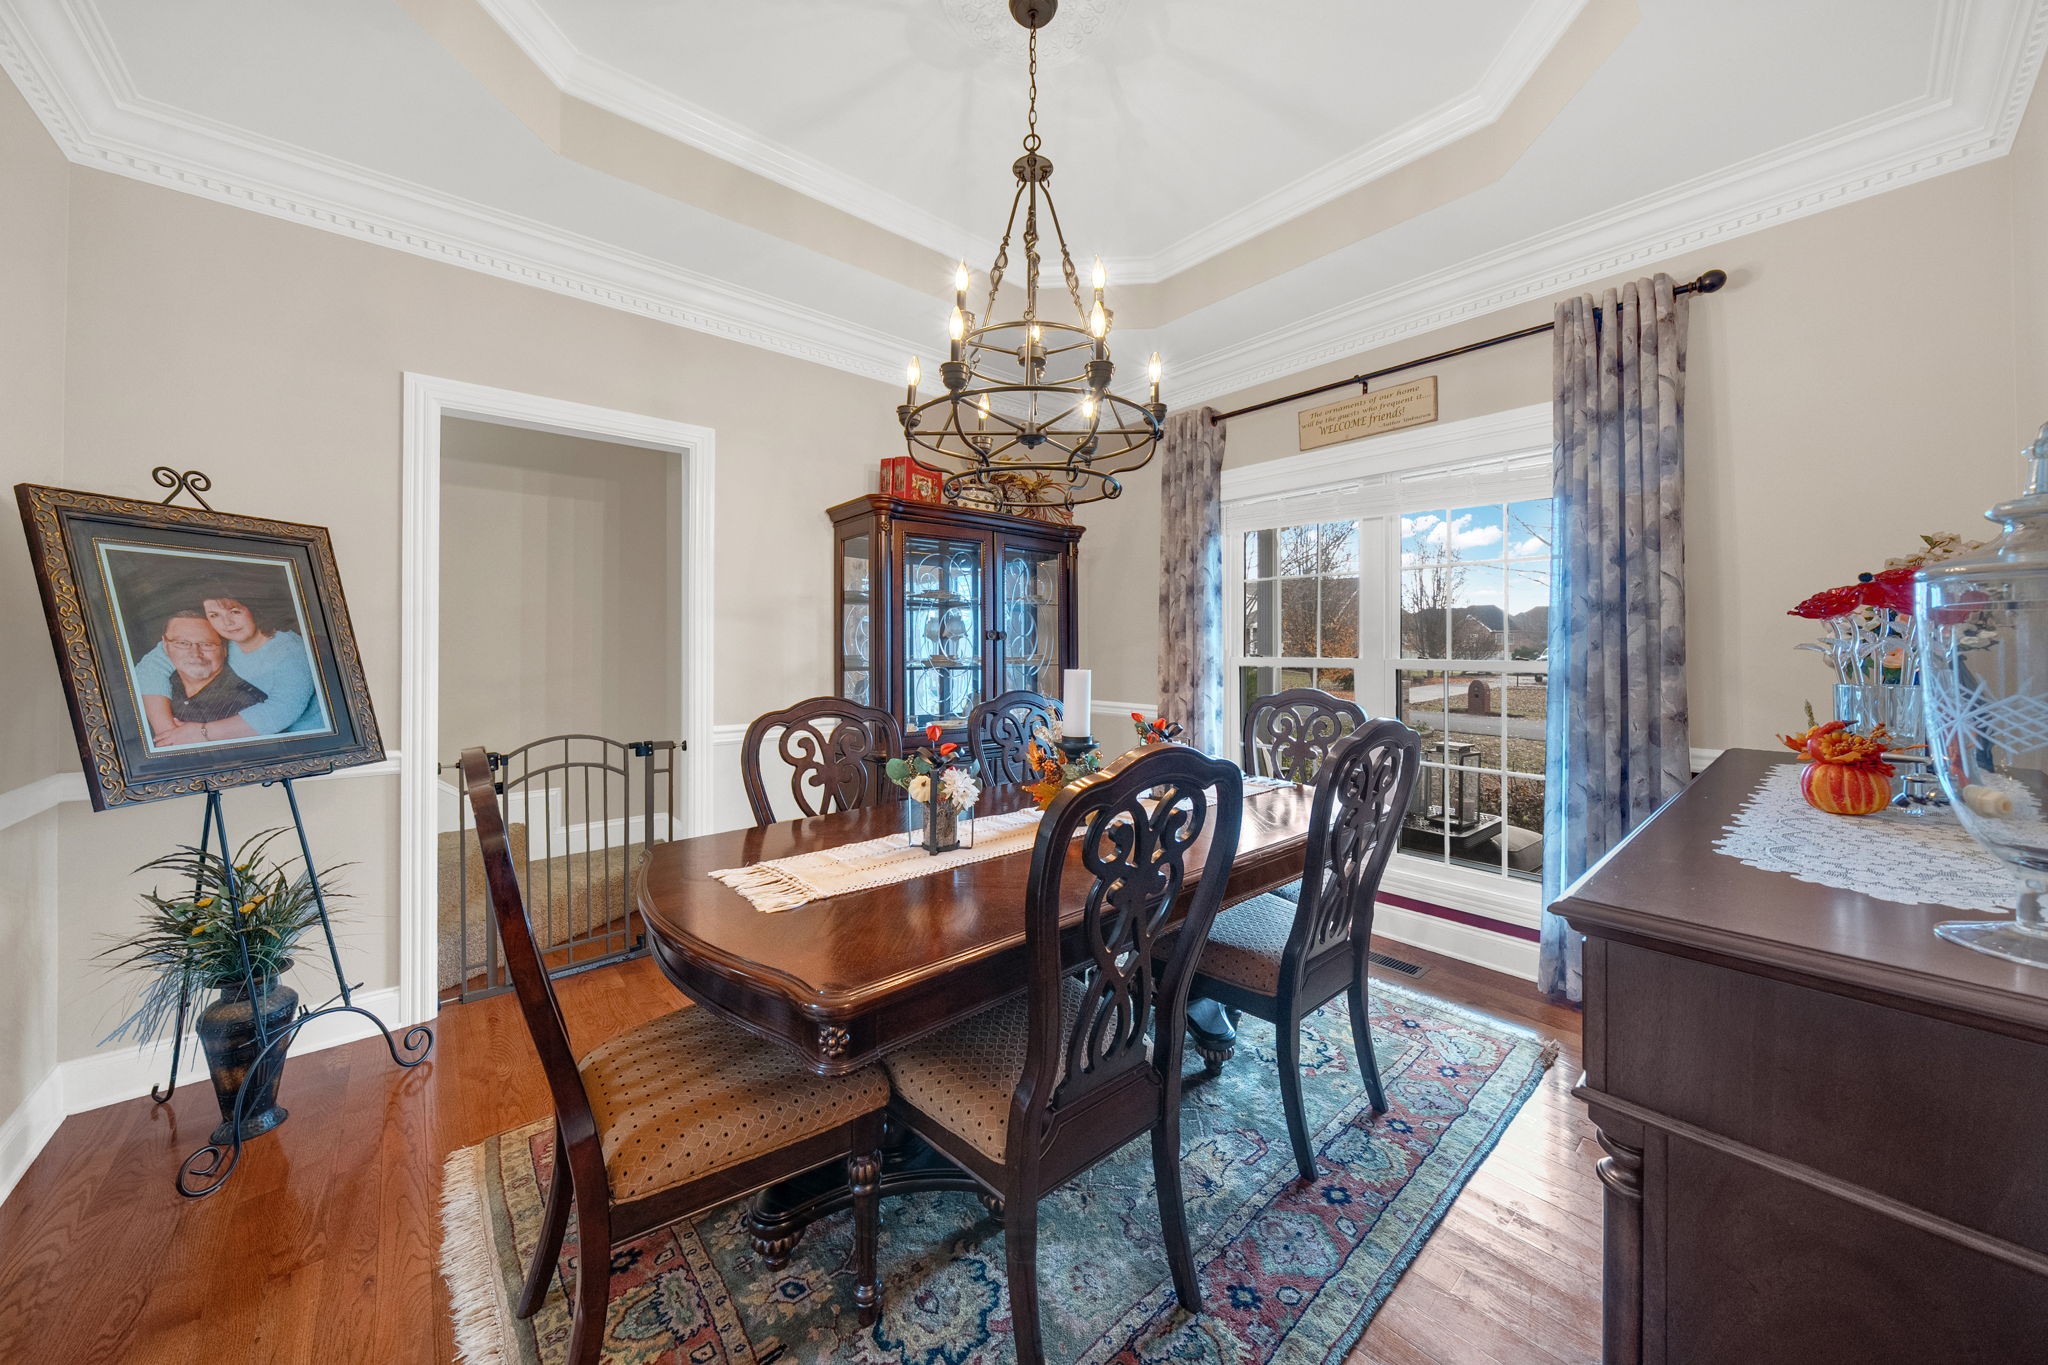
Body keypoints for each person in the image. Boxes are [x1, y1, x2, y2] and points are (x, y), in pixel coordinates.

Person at [131, 582, 330, 746]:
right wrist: (167, 733)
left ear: (253, 609)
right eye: (214, 615)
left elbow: (281, 712)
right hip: (251, 729)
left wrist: (201, 733)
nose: (226, 623)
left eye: (235, 612)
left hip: (307, 739)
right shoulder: (223, 633)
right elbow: (151, 665)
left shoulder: (291, 650)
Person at [141, 611, 269, 744]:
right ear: (165, 646)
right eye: (183, 643)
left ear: (224, 649)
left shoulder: (250, 703)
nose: (195, 654)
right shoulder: (150, 687)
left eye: (207, 644)